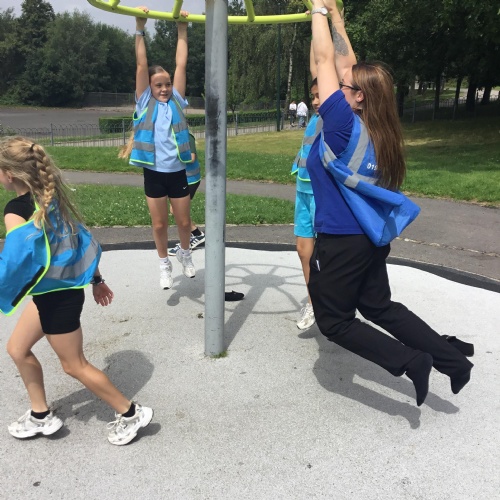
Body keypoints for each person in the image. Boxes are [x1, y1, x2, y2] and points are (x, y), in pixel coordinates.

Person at [307, 0, 473, 406]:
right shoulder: (378, 130)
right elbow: (345, 65)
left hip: (343, 241)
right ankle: (454, 362)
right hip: (368, 237)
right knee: (379, 307)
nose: (337, 85)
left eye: (344, 86)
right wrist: (336, 15)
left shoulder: (341, 127)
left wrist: (317, 11)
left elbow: (325, 60)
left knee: (334, 321)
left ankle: (411, 361)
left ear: (358, 97)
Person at [0, 136, 153, 445]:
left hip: (56, 299)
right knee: (17, 348)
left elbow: (16, 263)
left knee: (74, 365)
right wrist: (96, 280)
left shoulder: (16, 211)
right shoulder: (51, 199)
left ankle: (131, 413)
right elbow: (81, 238)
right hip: (56, 293)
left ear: (10, 174)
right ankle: (40, 415)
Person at [122, 6, 195, 290]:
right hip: (154, 172)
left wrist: (182, 30)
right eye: (159, 85)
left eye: (167, 84)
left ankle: (185, 254)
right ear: (149, 88)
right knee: (159, 224)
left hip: (177, 171)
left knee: (184, 223)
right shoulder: (144, 102)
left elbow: (181, 65)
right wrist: (140, 27)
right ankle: (164, 264)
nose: (164, 88)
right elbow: (141, 66)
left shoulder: (176, 100)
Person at [291, 42, 322, 331]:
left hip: (323, 195)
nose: (315, 101)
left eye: (319, 95)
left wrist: (322, 21)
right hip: (303, 189)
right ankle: (313, 302)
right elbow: (315, 67)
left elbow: (322, 64)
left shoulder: (337, 117)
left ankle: (330, 301)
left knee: (327, 254)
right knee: (304, 250)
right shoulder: (314, 118)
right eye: (312, 96)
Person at [168, 131, 205, 256]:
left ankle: (191, 239)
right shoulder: (173, 136)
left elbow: (192, 157)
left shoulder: (187, 136)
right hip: (181, 179)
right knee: (177, 210)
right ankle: (196, 234)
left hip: (190, 179)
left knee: (177, 210)